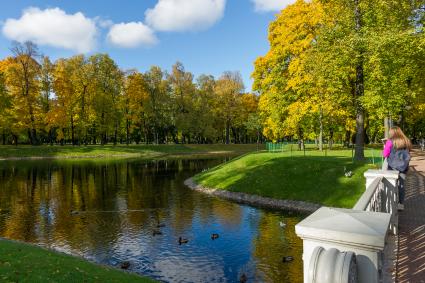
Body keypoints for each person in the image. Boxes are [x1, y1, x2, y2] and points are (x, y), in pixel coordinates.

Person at [382, 126, 412, 211]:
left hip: (392, 166)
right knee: (401, 185)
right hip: (403, 166)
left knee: (391, 184)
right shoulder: (406, 141)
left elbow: (385, 154)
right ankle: (401, 204)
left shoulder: (390, 142)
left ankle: (392, 202)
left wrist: (384, 148)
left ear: (392, 133)